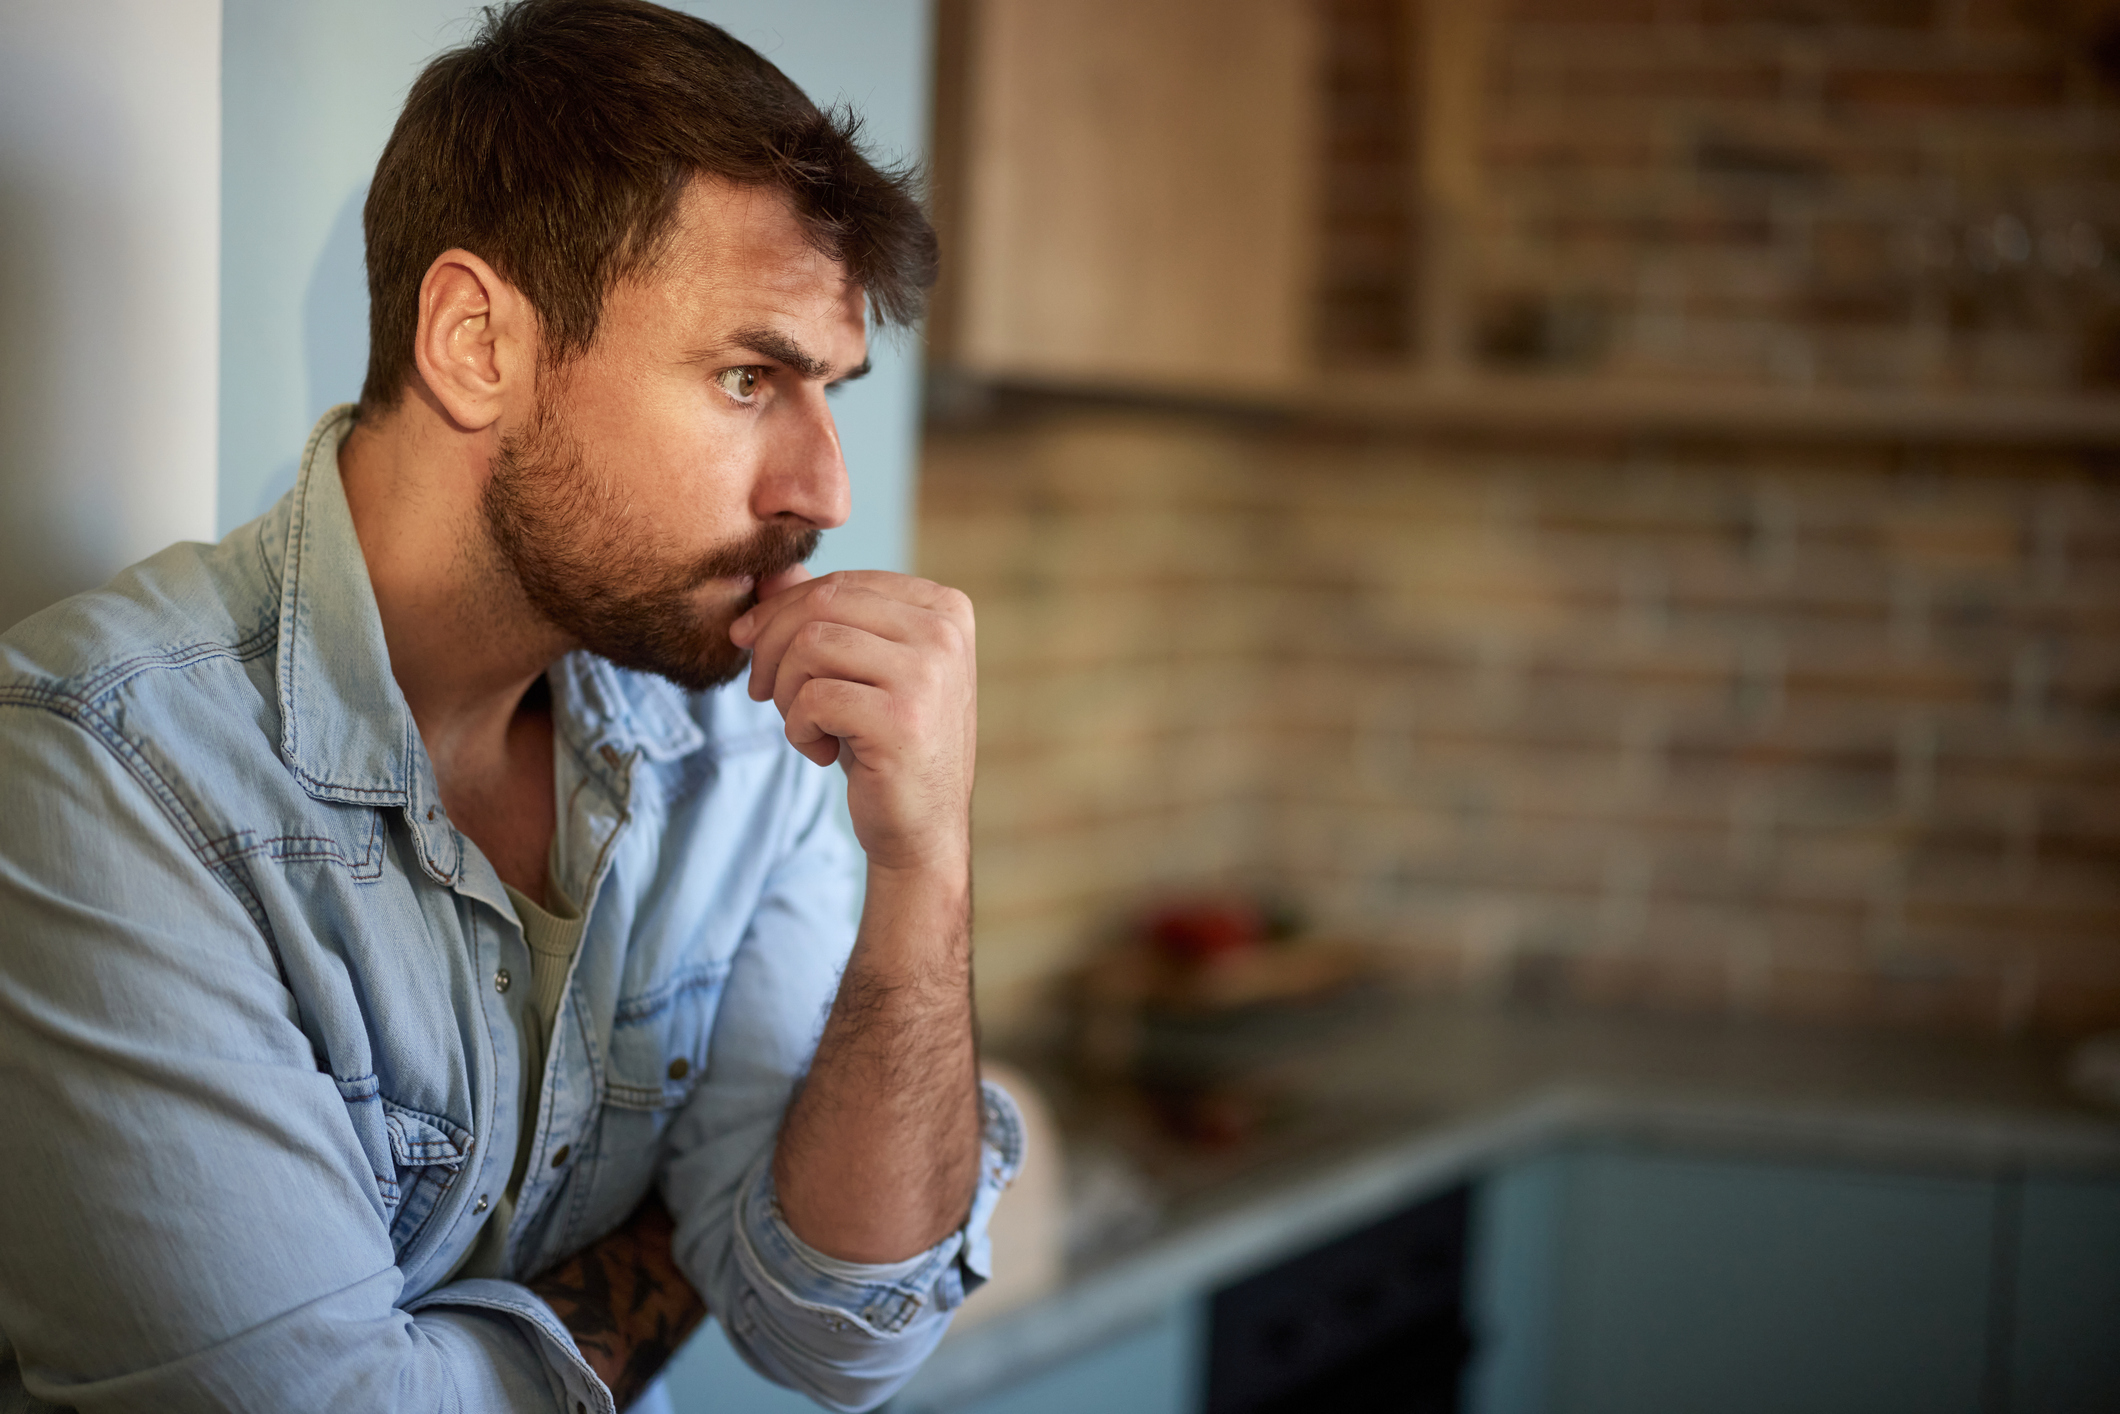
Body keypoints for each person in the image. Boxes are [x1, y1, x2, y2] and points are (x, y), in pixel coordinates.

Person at [0, 2, 1019, 1410]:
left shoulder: (748, 727)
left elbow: (841, 1331)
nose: (828, 491)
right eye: (746, 376)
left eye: (829, 390)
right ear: (477, 341)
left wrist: (926, 869)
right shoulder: (103, 773)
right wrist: (671, 1251)